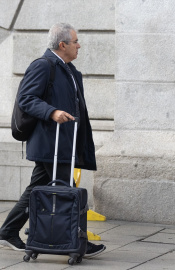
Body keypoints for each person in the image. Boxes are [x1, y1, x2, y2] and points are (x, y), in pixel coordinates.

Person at [0, 23, 106, 257]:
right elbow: (26, 98)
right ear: (62, 44)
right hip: (51, 143)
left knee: (35, 190)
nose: (79, 45)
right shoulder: (43, 66)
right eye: (76, 41)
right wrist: (51, 112)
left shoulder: (68, 69)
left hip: (62, 142)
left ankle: (8, 231)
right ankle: (78, 242)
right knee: (69, 191)